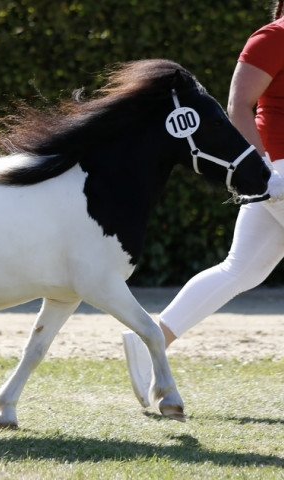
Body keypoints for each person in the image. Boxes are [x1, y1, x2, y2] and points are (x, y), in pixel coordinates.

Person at [123, 0, 284, 408]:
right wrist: (265, 170)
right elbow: (238, 106)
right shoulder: (272, 37)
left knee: (240, 269)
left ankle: (148, 346)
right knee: (237, 270)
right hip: (278, 167)